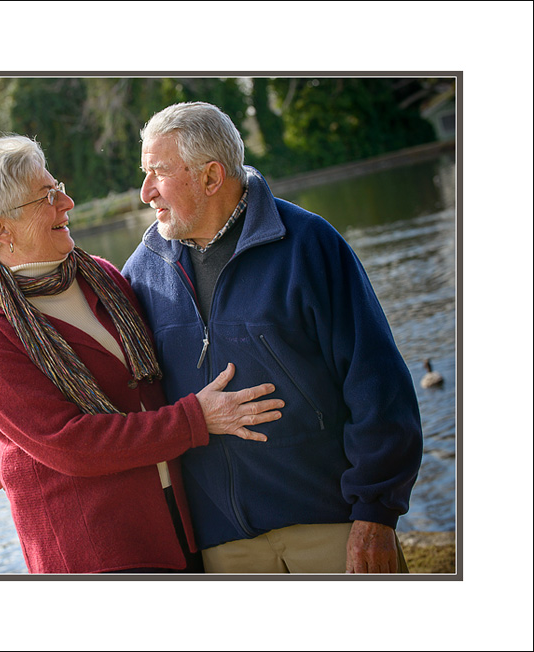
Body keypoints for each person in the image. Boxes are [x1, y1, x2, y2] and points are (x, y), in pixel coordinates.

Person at [0, 135, 285, 574]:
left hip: (181, 524)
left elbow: (167, 369)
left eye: (59, 187)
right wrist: (196, 419)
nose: (67, 202)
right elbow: (71, 446)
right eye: (46, 197)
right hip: (96, 550)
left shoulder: (103, 277)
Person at [121, 102, 424, 573]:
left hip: (331, 524)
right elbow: (107, 370)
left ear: (211, 176)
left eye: (158, 173)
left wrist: (376, 513)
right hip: (223, 547)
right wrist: (22, 434)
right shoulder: (142, 272)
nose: (145, 193)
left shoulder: (309, 244)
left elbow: (378, 382)